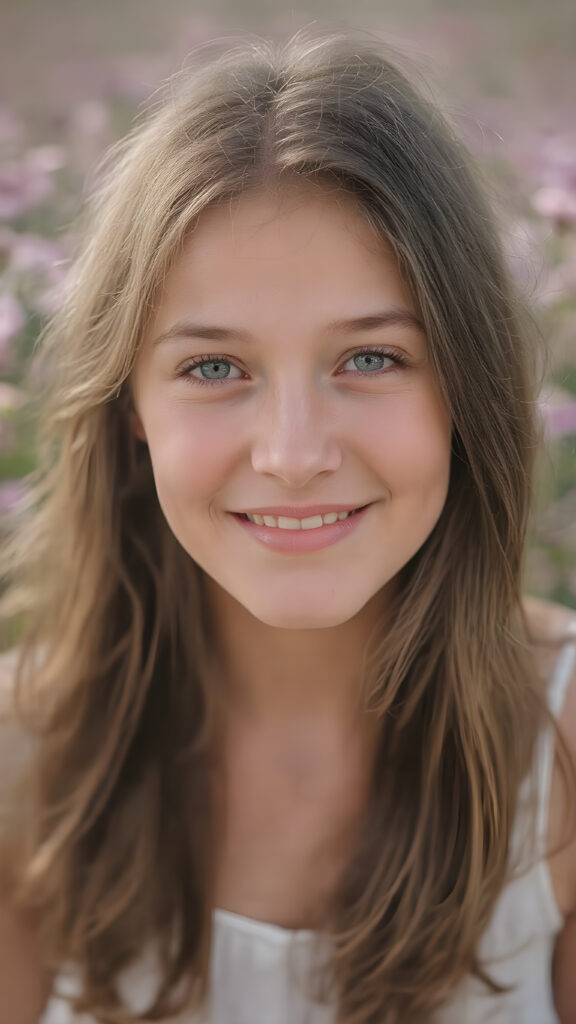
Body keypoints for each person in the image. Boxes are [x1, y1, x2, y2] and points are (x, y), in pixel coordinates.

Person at [0, 30, 575, 1024]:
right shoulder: (22, 756)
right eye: (214, 367)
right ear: (130, 405)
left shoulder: (564, 743)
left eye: (373, 358)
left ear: (465, 385)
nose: (293, 451)